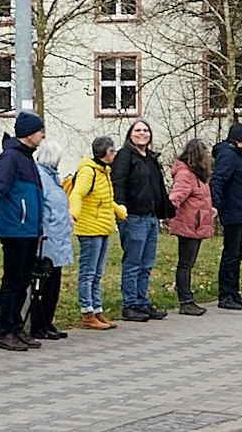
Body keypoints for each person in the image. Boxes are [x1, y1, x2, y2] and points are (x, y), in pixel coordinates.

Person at [0, 112, 46, 351]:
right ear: (29, 133)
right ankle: (5, 330)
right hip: (15, 229)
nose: (43, 135)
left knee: (22, 280)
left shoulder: (27, 158)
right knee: (12, 280)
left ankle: (17, 327)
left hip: (28, 230)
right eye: (40, 130)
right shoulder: (10, 157)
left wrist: (38, 227)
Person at [111, 118, 171, 322]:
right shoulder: (125, 156)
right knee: (133, 262)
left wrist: (166, 212)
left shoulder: (150, 158)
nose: (142, 133)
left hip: (151, 217)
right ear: (130, 134)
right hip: (133, 217)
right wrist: (120, 208)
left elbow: (159, 188)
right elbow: (118, 182)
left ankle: (142, 302)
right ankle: (130, 305)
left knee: (147, 263)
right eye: (138, 130)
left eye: (146, 130)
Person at [69, 136, 124, 329]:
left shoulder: (103, 172)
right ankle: (87, 312)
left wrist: (119, 211)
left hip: (102, 227)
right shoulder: (88, 172)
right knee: (88, 272)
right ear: (104, 153)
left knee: (98, 273)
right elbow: (77, 194)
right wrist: (73, 214)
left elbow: (104, 199)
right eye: (112, 151)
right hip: (89, 228)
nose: (114, 154)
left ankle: (97, 309)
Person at [167, 138, 216, 316]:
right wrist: (167, 214)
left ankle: (187, 299)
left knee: (188, 263)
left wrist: (209, 211)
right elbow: (176, 197)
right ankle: (186, 301)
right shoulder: (186, 175)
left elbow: (198, 199)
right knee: (185, 264)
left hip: (195, 224)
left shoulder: (197, 176)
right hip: (188, 226)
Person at [32, 139, 75, 340]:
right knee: (44, 283)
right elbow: (42, 206)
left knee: (54, 281)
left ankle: (48, 322)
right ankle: (39, 324)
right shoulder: (41, 176)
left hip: (58, 236)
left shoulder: (53, 177)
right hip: (47, 238)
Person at [209, 123, 242, 310]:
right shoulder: (228, 156)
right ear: (241, 139)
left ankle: (234, 293)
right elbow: (218, 180)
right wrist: (215, 205)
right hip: (233, 211)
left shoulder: (239, 155)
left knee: (237, 255)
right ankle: (225, 294)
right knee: (230, 254)